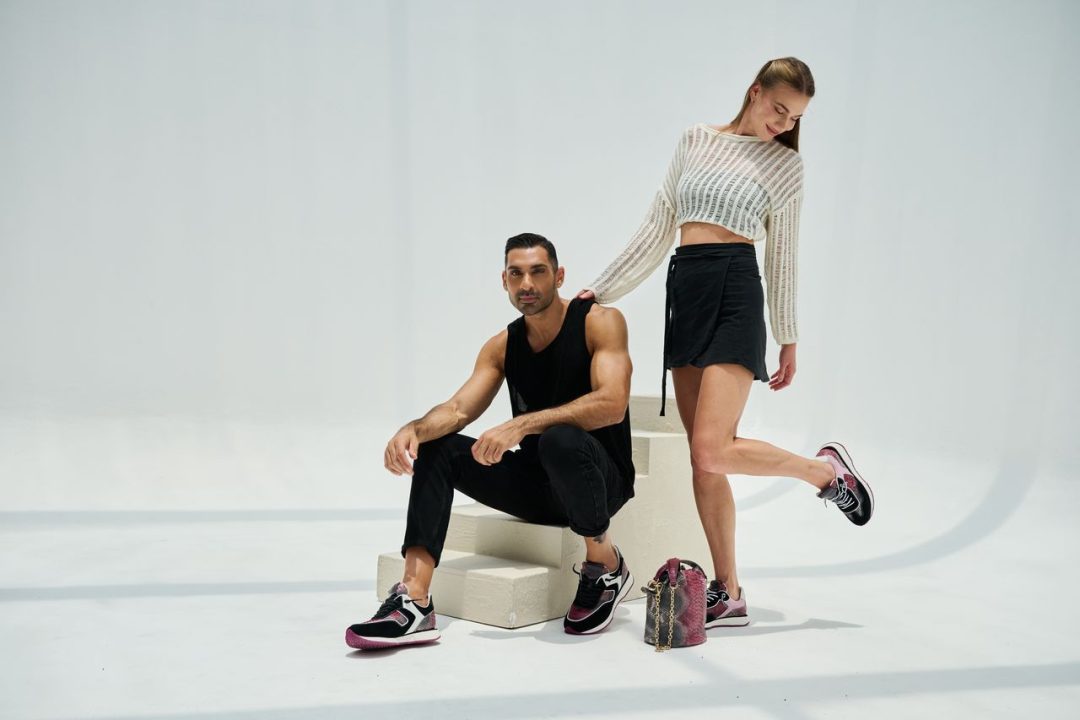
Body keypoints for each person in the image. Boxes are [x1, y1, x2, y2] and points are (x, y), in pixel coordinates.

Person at [577, 57, 874, 629]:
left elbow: (783, 255)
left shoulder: (786, 166)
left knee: (713, 449)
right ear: (754, 91)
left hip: (737, 290)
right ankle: (729, 592)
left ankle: (824, 473)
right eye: (779, 109)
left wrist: (787, 337)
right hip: (687, 290)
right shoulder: (695, 139)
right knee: (703, 461)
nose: (784, 124)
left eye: (795, 118)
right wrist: (603, 288)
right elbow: (658, 225)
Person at [346, 233, 636, 650]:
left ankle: (604, 566)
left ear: (559, 276)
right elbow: (458, 409)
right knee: (439, 447)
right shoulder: (502, 345)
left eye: (538, 272)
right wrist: (415, 429)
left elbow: (612, 403)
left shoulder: (599, 322)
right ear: (504, 281)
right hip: (538, 489)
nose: (527, 284)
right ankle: (414, 601)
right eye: (516, 274)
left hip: (601, 483)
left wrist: (521, 426)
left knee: (558, 440)